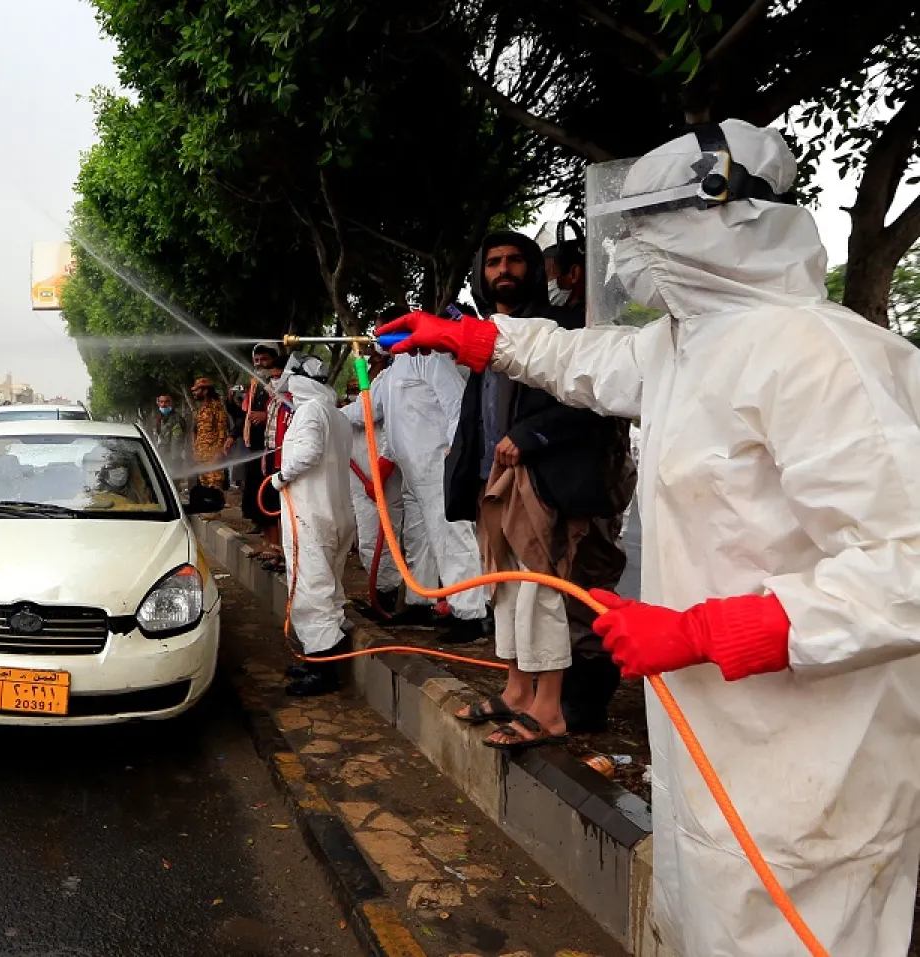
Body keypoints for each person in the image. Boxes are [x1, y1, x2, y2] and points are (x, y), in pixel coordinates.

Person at [377, 119, 920, 956]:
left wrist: (704, 629)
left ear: (726, 218)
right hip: (713, 758)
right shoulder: (684, 347)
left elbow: (907, 566)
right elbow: (589, 362)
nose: (631, 254)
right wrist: (476, 339)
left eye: (649, 228)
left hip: (814, 789)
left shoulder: (819, 356)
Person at [438, 232, 631, 750]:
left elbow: (587, 406)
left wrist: (527, 436)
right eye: (494, 261)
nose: (504, 269)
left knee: (541, 592)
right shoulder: (484, 336)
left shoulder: (563, 331)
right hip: (491, 485)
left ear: (534, 269)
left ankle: (550, 709)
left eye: (515, 260)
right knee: (503, 589)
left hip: (541, 483)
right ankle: (516, 690)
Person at [544, 232, 639, 733]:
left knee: (589, 584)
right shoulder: (577, 326)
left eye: (553, 271)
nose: (551, 283)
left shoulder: (601, 330)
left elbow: (588, 408)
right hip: (574, 478)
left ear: (574, 273)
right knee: (567, 585)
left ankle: (587, 704)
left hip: (597, 477)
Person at [366, 305, 489, 640]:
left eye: (382, 332)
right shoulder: (392, 372)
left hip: (437, 466)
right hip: (411, 470)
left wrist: (453, 449)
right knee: (419, 538)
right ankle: (420, 602)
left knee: (451, 537)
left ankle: (470, 614)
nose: (378, 340)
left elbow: (457, 403)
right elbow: (376, 412)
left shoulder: (430, 357)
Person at [269, 354, 356, 697]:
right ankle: (316, 658)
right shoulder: (335, 414)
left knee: (312, 589)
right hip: (335, 513)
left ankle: (323, 670)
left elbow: (306, 455)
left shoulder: (308, 412)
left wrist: (279, 477)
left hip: (311, 516)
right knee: (328, 588)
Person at [340, 352, 405, 617]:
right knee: (368, 540)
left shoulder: (390, 378)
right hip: (363, 476)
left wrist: (384, 467)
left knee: (383, 538)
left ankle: (387, 600)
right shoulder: (378, 380)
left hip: (378, 476)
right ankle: (380, 595)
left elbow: (368, 412)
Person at [247, 344, 289, 568]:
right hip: (266, 454)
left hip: (284, 459)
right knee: (265, 501)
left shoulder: (290, 398)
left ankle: (278, 549)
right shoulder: (264, 391)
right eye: (257, 359)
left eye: (265, 360)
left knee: (278, 505)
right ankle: (270, 544)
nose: (260, 364)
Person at [190, 377, 233, 489]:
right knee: (204, 487)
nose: (194, 393)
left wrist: (219, 452)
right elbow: (196, 431)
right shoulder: (201, 409)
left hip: (213, 456)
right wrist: (195, 450)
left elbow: (222, 431)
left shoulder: (217, 407)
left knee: (215, 485)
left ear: (205, 391)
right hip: (202, 455)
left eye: (197, 390)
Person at [147, 393, 188, 483]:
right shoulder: (160, 419)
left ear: (172, 403)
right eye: (161, 402)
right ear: (157, 402)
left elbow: (176, 445)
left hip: (171, 463)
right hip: (161, 460)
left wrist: (174, 466)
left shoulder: (176, 420)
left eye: (167, 402)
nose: (163, 404)